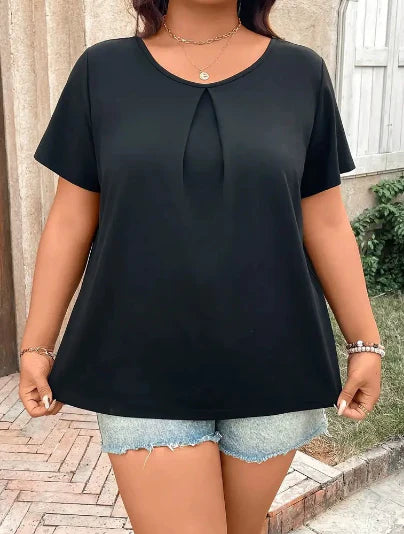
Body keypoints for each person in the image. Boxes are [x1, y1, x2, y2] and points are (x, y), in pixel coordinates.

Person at [19, 0, 383, 532]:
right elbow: (71, 219)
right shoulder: (102, 71)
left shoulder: (301, 73)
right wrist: (36, 344)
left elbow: (325, 222)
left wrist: (365, 343)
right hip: (138, 359)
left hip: (274, 358)